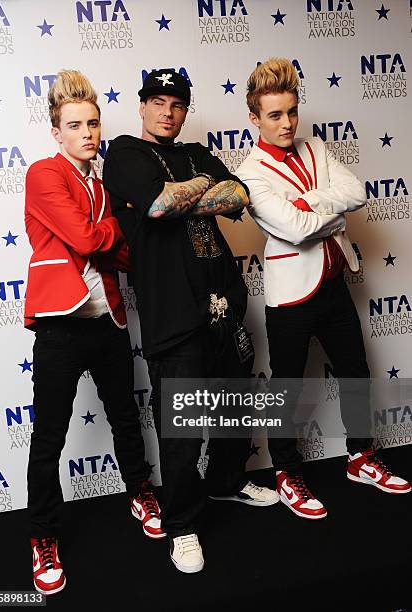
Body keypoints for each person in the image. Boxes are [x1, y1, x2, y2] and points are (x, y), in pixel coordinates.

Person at [103, 69, 279, 574]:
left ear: (185, 109)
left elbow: (239, 197)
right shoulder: (126, 154)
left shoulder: (198, 151)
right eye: (157, 102)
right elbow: (157, 205)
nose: (167, 112)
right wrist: (203, 185)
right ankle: (182, 524)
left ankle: (226, 481)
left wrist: (190, 188)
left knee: (233, 402)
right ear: (142, 107)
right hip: (173, 315)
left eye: (176, 104)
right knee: (181, 430)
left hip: (225, 303)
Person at [235, 58, 411, 520]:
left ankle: (360, 457)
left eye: (291, 111)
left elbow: (356, 192)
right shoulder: (249, 172)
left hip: (333, 282)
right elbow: (293, 230)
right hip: (291, 294)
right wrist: (322, 212)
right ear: (254, 118)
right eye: (275, 115)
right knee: (289, 387)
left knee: (356, 370)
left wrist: (310, 201)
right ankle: (286, 473)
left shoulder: (315, 148)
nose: (287, 122)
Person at [24, 70, 164, 596]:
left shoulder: (101, 186)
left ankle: (140, 492)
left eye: (93, 123)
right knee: (48, 439)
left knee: (126, 417)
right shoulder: (44, 174)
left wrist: (110, 236)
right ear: (57, 131)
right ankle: (43, 536)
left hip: (107, 320)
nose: (88, 133)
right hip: (61, 327)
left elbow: (124, 255)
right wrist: (115, 228)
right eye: (75, 125)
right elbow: (88, 236)